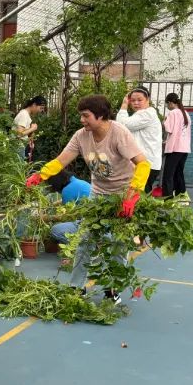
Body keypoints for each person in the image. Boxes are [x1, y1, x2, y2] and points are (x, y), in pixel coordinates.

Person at [25, 94, 149, 302]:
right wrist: (41, 175)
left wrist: (132, 195)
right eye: (81, 116)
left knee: (118, 245)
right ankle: (76, 287)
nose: (82, 120)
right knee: (85, 241)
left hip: (122, 195)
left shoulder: (118, 133)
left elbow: (143, 163)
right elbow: (61, 160)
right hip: (98, 194)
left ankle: (112, 288)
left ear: (100, 116)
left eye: (86, 116)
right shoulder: (81, 136)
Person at [117, 87, 162, 193]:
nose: (136, 103)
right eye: (132, 100)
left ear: (148, 100)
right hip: (144, 163)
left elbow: (121, 126)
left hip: (146, 164)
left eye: (139, 100)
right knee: (137, 197)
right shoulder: (140, 115)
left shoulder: (147, 114)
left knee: (137, 198)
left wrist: (124, 106)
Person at [46, 169, 93, 246]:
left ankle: (81, 247)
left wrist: (47, 218)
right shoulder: (78, 182)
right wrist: (54, 204)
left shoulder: (67, 190)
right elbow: (75, 197)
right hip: (95, 221)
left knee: (55, 230)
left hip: (87, 225)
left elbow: (65, 217)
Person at [162, 92, 191, 198]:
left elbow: (169, 129)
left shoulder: (173, 113)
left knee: (168, 174)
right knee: (178, 172)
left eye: (166, 104)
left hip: (175, 148)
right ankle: (182, 195)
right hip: (184, 148)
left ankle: (168, 198)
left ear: (170, 103)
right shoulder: (185, 113)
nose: (167, 107)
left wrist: (164, 122)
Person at [13, 96, 46, 161]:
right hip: (17, 147)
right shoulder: (24, 114)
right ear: (34, 105)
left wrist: (29, 140)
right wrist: (32, 128)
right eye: (41, 108)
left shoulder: (26, 115)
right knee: (19, 169)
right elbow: (19, 134)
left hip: (19, 146)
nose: (41, 111)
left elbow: (23, 132)